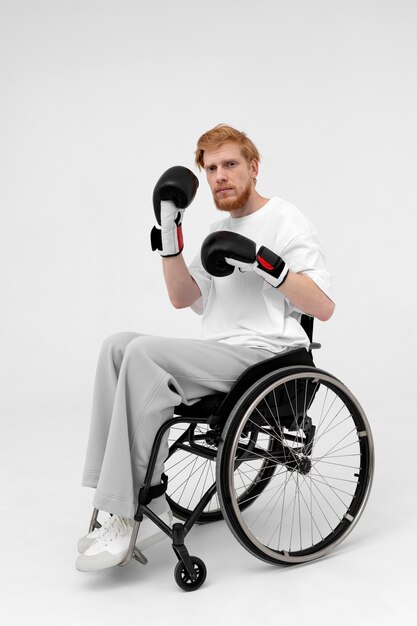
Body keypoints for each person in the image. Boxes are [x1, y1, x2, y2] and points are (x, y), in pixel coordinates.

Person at [76, 124, 335, 572]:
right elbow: (183, 297)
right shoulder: (217, 230)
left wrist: (266, 265)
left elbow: (324, 306)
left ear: (253, 168)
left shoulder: (285, 218)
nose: (220, 176)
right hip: (220, 354)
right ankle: (112, 502)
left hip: (267, 359)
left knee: (145, 354)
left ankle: (128, 507)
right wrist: (170, 231)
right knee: (117, 346)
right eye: (211, 168)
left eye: (230, 164)